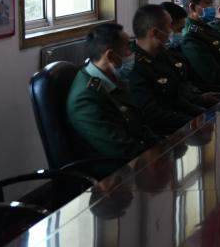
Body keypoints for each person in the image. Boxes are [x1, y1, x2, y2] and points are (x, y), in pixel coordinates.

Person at [66, 23, 159, 162]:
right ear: (110, 56)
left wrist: (160, 144)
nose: (132, 53)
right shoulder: (85, 99)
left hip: (140, 156)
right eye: (128, 48)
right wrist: (157, 155)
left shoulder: (110, 79)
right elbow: (121, 150)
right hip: (116, 171)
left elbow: (138, 125)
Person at [128, 4, 211, 134]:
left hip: (180, 124)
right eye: (169, 27)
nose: (172, 32)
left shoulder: (163, 54)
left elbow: (176, 97)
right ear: (155, 33)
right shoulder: (133, 65)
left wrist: (202, 114)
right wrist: (191, 122)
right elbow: (151, 113)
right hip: (161, 133)